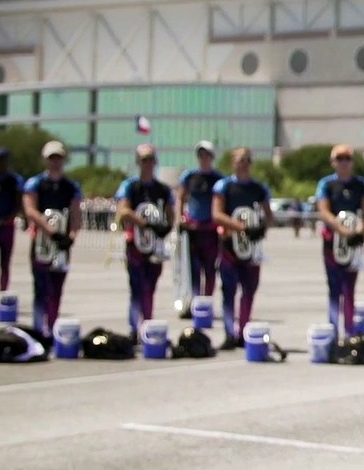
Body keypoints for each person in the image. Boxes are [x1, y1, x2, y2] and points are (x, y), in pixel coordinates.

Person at [211, 147, 273, 350]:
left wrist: (260, 227)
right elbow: (217, 214)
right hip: (230, 247)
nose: (244, 163)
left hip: (251, 249)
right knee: (228, 290)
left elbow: (268, 216)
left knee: (249, 290)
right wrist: (241, 227)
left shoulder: (259, 188)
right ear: (232, 162)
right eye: (240, 159)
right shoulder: (224, 186)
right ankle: (229, 332)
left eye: (247, 159)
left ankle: (244, 330)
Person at [315, 144, 364, 337]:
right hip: (333, 240)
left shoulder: (361, 184)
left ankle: (349, 330)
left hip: (353, 241)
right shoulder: (326, 184)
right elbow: (324, 211)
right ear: (333, 162)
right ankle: (334, 329)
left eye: (347, 159)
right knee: (334, 286)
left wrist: (360, 230)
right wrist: (342, 230)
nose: (344, 163)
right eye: (340, 159)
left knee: (349, 287)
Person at [115, 143, 177, 339]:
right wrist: (144, 222)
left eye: (150, 159)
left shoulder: (163, 189)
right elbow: (123, 211)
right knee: (136, 286)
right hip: (136, 244)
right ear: (138, 162)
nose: (148, 163)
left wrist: (165, 227)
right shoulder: (130, 186)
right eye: (144, 160)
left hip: (154, 245)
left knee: (150, 286)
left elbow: (170, 213)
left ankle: (148, 323)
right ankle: (134, 327)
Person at [22, 141, 82, 337]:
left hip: (61, 244)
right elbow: (30, 209)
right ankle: (39, 330)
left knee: (57, 288)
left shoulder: (71, 187)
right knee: (41, 288)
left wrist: (71, 236)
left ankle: (53, 327)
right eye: (51, 158)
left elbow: (75, 215)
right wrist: (49, 230)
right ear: (45, 160)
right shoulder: (35, 183)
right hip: (42, 242)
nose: (55, 162)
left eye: (58, 158)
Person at [176, 141, 224, 315]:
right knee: (193, 269)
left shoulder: (218, 179)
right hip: (193, 229)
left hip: (210, 230)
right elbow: (181, 197)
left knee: (210, 269)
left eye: (207, 155)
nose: (204, 158)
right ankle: (195, 303)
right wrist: (180, 218)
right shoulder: (189, 176)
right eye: (201, 155)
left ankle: (207, 303)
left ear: (212, 157)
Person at [0, 147, 24, 304]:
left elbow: (19, 203)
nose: (1, 163)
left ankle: (3, 293)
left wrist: (7, 219)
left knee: (5, 262)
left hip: (7, 225)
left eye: (4, 159)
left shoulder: (15, 180)